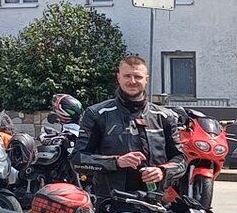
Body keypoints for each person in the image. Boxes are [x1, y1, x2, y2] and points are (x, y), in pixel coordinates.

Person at [75, 56, 188, 199]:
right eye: (127, 76)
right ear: (118, 78)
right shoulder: (97, 114)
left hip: (155, 201)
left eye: (138, 77)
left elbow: (181, 159)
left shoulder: (164, 116)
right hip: (110, 202)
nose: (132, 81)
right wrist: (116, 162)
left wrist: (163, 171)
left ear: (146, 79)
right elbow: (78, 160)